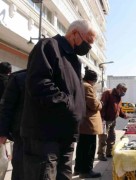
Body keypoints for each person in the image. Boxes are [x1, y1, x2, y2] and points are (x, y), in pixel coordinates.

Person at [20, 19, 96, 180]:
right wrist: (70, 107)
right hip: (46, 137)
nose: (89, 47)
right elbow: (40, 84)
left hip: (66, 136)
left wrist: (77, 113)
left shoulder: (74, 59)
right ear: (75, 33)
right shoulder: (49, 46)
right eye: (88, 41)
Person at [74, 67, 102, 178]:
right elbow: (93, 104)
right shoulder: (88, 87)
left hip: (83, 121)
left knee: (81, 147)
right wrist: (100, 104)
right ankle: (87, 170)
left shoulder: (80, 84)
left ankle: (78, 168)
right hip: (89, 122)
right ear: (93, 80)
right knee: (89, 148)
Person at [0, 69, 26, 180]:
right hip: (24, 129)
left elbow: (6, 106)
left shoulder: (17, 78)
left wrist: (3, 131)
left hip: (16, 128)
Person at [97, 83, 127, 161]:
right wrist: (102, 118)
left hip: (113, 120)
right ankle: (101, 154)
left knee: (112, 137)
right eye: (123, 91)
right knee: (103, 137)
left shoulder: (119, 97)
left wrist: (124, 115)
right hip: (105, 119)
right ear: (118, 89)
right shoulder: (108, 93)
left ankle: (109, 153)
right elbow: (102, 106)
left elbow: (119, 109)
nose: (124, 93)